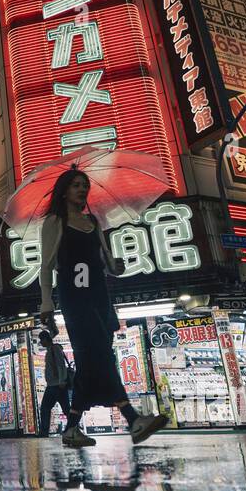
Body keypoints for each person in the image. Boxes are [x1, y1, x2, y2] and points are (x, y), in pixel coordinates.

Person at [39, 168, 168, 448]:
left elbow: (106, 261)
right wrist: (47, 303)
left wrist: (116, 267)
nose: (82, 190)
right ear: (64, 191)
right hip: (75, 297)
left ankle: (72, 427)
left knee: (92, 359)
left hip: (100, 295)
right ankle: (133, 419)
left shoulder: (92, 222)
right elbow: (46, 266)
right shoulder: (54, 222)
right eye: (75, 185)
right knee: (99, 354)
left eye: (84, 186)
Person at [37, 328, 71, 437]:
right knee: (65, 408)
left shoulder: (54, 349)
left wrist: (62, 381)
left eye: (42, 340)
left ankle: (44, 432)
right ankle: (73, 428)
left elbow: (61, 365)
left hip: (57, 385)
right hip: (54, 385)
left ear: (46, 339)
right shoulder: (50, 350)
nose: (41, 343)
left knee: (46, 408)